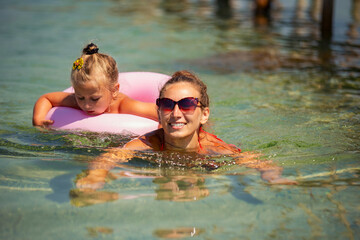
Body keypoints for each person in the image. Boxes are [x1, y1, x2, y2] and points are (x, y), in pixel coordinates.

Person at [76, 70, 297, 190]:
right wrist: (96, 175)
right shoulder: (149, 142)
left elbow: (256, 160)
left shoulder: (211, 146)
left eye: (188, 104)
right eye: (167, 104)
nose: (176, 113)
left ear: (205, 114)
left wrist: (272, 176)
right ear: (159, 112)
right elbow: (110, 157)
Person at [32, 43, 158, 127]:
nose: (86, 105)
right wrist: (38, 119)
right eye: (80, 97)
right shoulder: (75, 101)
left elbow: (159, 112)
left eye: (95, 99)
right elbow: (46, 98)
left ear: (114, 90)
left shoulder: (123, 105)